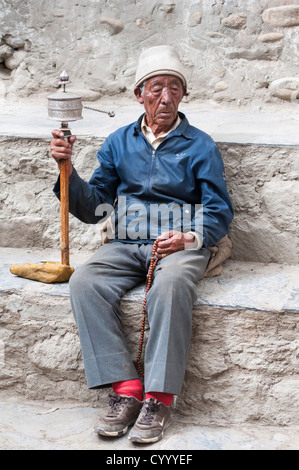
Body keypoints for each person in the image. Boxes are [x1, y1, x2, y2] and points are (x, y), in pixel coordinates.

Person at [50, 45, 234, 444]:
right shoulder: (119, 142)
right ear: (140, 94)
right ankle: (127, 390)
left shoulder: (199, 145)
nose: (164, 98)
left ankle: (158, 397)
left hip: (179, 242)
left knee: (170, 285)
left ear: (182, 95)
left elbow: (219, 208)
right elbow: (93, 207)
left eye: (173, 89)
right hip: (128, 240)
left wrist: (190, 237)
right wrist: (68, 171)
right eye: (155, 89)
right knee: (85, 282)